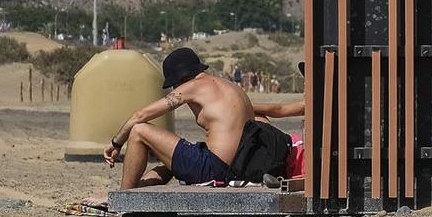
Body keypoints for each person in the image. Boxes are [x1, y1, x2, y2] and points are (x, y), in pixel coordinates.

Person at [105, 48, 295, 189]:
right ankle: (136, 188)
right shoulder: (232, 87)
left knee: (140, 131)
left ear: (180, 80)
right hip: (238, 166)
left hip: (215, 168)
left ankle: (123, 196)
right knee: (171, 160)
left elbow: (140, 116)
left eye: (174, 85)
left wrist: (117, 143)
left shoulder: (193, 86)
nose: (174, 90)